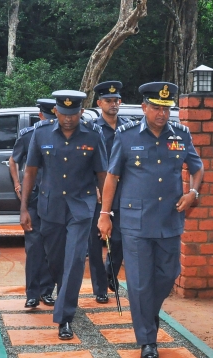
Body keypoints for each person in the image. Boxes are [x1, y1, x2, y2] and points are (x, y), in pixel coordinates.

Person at [98, 82, 203, 358]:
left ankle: (147, 313)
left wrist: (193, 193)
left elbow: (197, 167)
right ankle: (148, 340)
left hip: (169, 218)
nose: (162, 114)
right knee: (139, 283)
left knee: (168, 274)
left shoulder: (181, 134)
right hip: (136, 221)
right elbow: (112, 177)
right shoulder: (126, 135)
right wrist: (105, 215)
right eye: (156, 108)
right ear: (144, 107)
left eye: (166, 109)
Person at [21, 90, 108, 340]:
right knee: (56, 260)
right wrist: (24, 207)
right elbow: (30, 171)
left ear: (81, 112)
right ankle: (64, 294)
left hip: (81, 207)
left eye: (73, 114)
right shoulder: (41, 133)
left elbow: (103, 174)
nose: (68, 119)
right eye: (63, 113)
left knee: (75, 260)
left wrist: (106, 211)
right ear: (56, 111)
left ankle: (64, 317)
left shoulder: (93, 135)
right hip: (50, 208)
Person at [9, 99, 57, 308]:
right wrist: (17, 184)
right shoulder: (29, 135)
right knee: (34, 245)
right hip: (35, 197)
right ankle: (32, 293)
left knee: (52, 247)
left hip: (55, 199)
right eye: (49, 117)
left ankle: (47, 291)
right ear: (41, 116)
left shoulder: (65, 134)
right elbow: (14, 160)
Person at [88, 81, 128, 299]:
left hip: (122, 191)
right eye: (109, 100)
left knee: (119, 238)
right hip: (97, 192)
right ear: (99, 103)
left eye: (116, 100)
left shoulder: (128, 128)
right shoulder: (91, 129)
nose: (113, 104)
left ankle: (110, 273)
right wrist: (93, 186)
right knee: (95, 242)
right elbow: (85, 162)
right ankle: (100, 289)